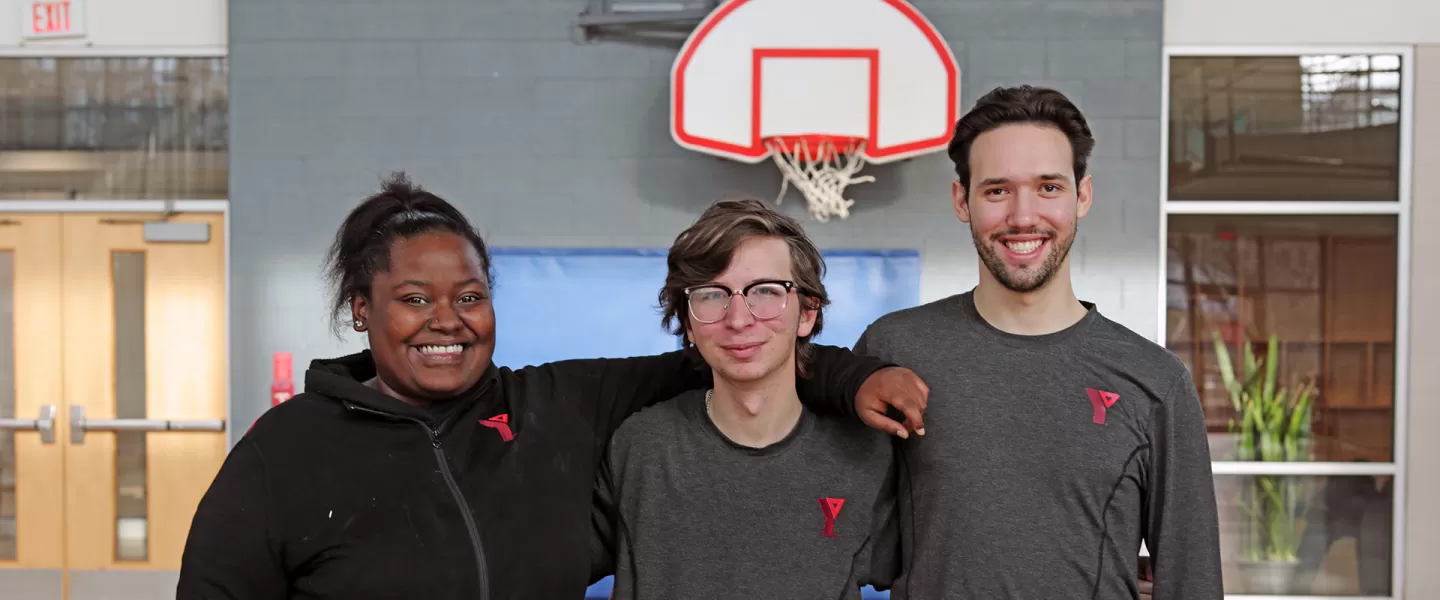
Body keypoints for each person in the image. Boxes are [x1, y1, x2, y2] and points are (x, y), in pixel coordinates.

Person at [175, 173, 929, 599]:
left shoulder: (560, 409)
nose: (448, 320)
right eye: (413, 299)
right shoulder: (287, 450)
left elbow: (738, 355)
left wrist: (851, 374)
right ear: (360, 310)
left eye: (469, 296)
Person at [852, 86, 1223, 599]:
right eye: (997, 190)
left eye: (1048, 187)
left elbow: (1192, 579)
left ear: (1083, 196)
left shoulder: (1156, 381)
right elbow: (846, 543)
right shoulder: (895, 349)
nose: (1023, 217)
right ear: (962, 200)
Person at [591, 198, 901, 599]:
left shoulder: (865, 456)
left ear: (807, 313)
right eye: (712, 294)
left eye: (767, 291)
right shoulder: (638, 447)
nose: (738, 319)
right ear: (687, 321)